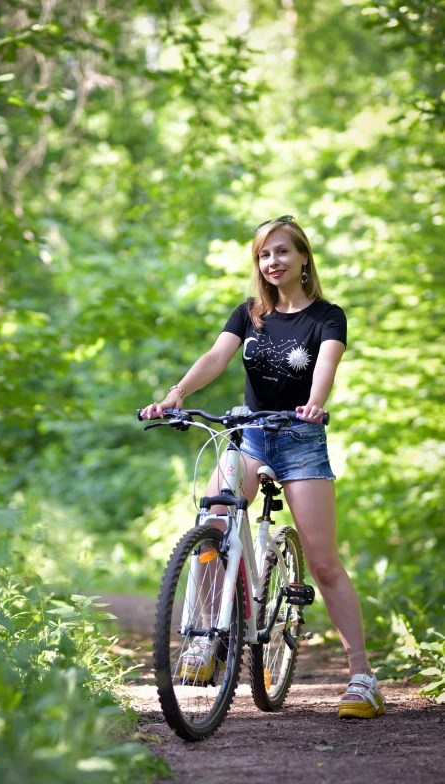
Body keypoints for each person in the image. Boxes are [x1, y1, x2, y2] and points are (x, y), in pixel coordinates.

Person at [141, 215, 385, 720]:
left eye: (281, 253)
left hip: (300, 442)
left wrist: (316, 403)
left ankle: (362, 676)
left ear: (303, 258)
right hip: (249, 437)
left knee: (323, 562)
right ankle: (207, 639)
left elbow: (326, 366)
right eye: (263, 255)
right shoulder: (249, 313)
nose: (271, 262)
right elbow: (216, 356)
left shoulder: (327, 316)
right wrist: (176, 395)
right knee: (212, 523)